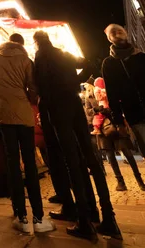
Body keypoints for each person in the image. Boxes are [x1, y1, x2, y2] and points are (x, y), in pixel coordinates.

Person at [34, 30, 121, 241]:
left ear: (37, 42)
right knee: (89, 157)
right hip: (74, 105)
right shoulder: (63, 53)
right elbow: (87, 63)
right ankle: (107, 217)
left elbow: (40, 87)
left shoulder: (40, 56)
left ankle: (84, 220)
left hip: (58, 110)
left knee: (72, 160)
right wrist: (74, 81)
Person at [0, 33, 54, 235]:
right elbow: (33, 86)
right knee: (29, 162)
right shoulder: (25, 59)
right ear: (20, 44)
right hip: (24, 114)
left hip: (4, 115)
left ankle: (20, 216)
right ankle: (39, 217)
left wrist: (0, 92)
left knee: (12, 162)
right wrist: (25, 95)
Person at [92, 77, 145, 192]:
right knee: (110, 155)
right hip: (102, 129)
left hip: (115, 124)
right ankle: (120, 182)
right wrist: (96, 110)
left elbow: (118, 105)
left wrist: (109, 111)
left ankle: (139, 180)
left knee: (127, 152)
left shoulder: (109, 91)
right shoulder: (90, 96)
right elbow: (88, 112)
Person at [102, 24, 145, 157]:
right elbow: (112, 94)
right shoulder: (109, 63)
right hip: (134, 114)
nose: (117, 32)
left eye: (119, 30)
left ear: (126, 33)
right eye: (112, 32)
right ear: (109, 39)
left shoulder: (141, 57)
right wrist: (119, 121)